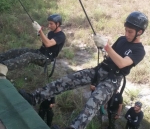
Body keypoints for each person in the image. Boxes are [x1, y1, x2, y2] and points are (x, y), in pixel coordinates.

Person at [19, 11, 148, 129]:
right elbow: (111, 55)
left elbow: (121, 63)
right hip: (100, 70)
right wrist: (103, 48)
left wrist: (106, 46)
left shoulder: (139, 51)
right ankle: (34, 97)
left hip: (112, 80)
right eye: (126, 30)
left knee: (92, 104)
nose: (126, 34)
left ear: (140, 32)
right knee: (67, 80)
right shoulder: (121, 39)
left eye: (130, 31)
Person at [0, 14, 66, 74]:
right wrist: (39, 32)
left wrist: (40, 31)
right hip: (40, 52)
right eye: (49, 24)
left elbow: (48, 44)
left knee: (29, 56)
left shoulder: (61, 36)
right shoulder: (51, 33)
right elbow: (45, 41)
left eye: (51, 24)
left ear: (57, 24)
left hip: (46, 58)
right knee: (19, 51)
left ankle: (2, 67)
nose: (49, 26)